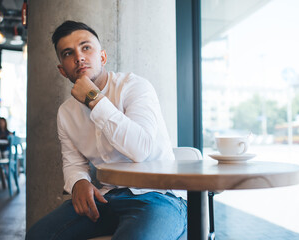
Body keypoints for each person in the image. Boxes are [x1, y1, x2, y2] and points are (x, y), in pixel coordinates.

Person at [26, 20, 187, 240]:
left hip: (159, 196)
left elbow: (140, 150)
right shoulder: (66, 112)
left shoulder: (135, 87)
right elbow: (73, 163)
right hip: (107, 198)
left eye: (86, 48)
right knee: (38, 235)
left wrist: (93, 99)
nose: (79, 57)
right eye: (68, 53)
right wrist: (78, 182)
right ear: (63, 70)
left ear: (102, 57)